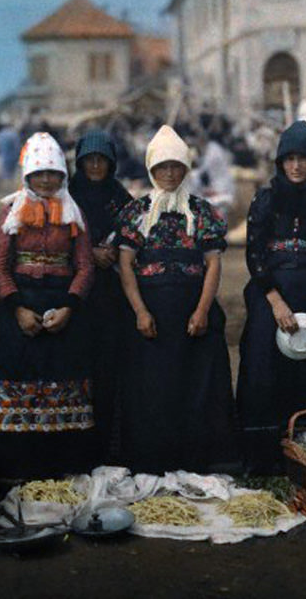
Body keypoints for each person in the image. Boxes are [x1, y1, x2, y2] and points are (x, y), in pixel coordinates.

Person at [115, 124, 237, 474]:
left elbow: (213, 264)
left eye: (176, 167)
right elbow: (125, 265)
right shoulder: (136, 212)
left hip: (191, 314)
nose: (169, 174)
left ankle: (196, 462)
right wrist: (139, 311)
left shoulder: (203, 212)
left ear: (185, 169)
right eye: (161, 167)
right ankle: (154, 462)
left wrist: (201, 312)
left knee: (194, 387)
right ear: (152, 170)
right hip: (150, 314)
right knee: (153, 389)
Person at [237, 120, 306, 474]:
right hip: (272, 291)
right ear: (280, 162)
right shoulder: (265, 199)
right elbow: (254, 254)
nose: (296, 166)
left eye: (303, 158)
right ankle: (264, 459)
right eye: (289, 158)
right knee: (262, 360)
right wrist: (275, 301)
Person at [0, 132, 95, 480]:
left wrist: (69, 308)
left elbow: (85, 266)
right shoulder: (10, 212)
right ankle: (18, 472)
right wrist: (17, 309)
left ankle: (61, 472)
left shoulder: (73, 212)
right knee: (19, 383)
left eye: (53, 173)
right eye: (39, 173)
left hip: (63, 308)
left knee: (63, 383)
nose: (46, 180)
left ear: (63, 175)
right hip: (20, 306)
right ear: (27, 175)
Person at [69, 130, 132, 463]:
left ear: (111, 163)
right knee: (79, 369)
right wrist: (88, 253)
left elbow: (134, 235)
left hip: (110, 296)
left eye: (101, 160)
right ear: (79, 162)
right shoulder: (67, 196)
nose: (95, 165)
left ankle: (109, 450)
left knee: (109, 371)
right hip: (76, 295)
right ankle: (78, 450)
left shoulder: (120, 197)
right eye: (89, 159)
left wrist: (114, 253)